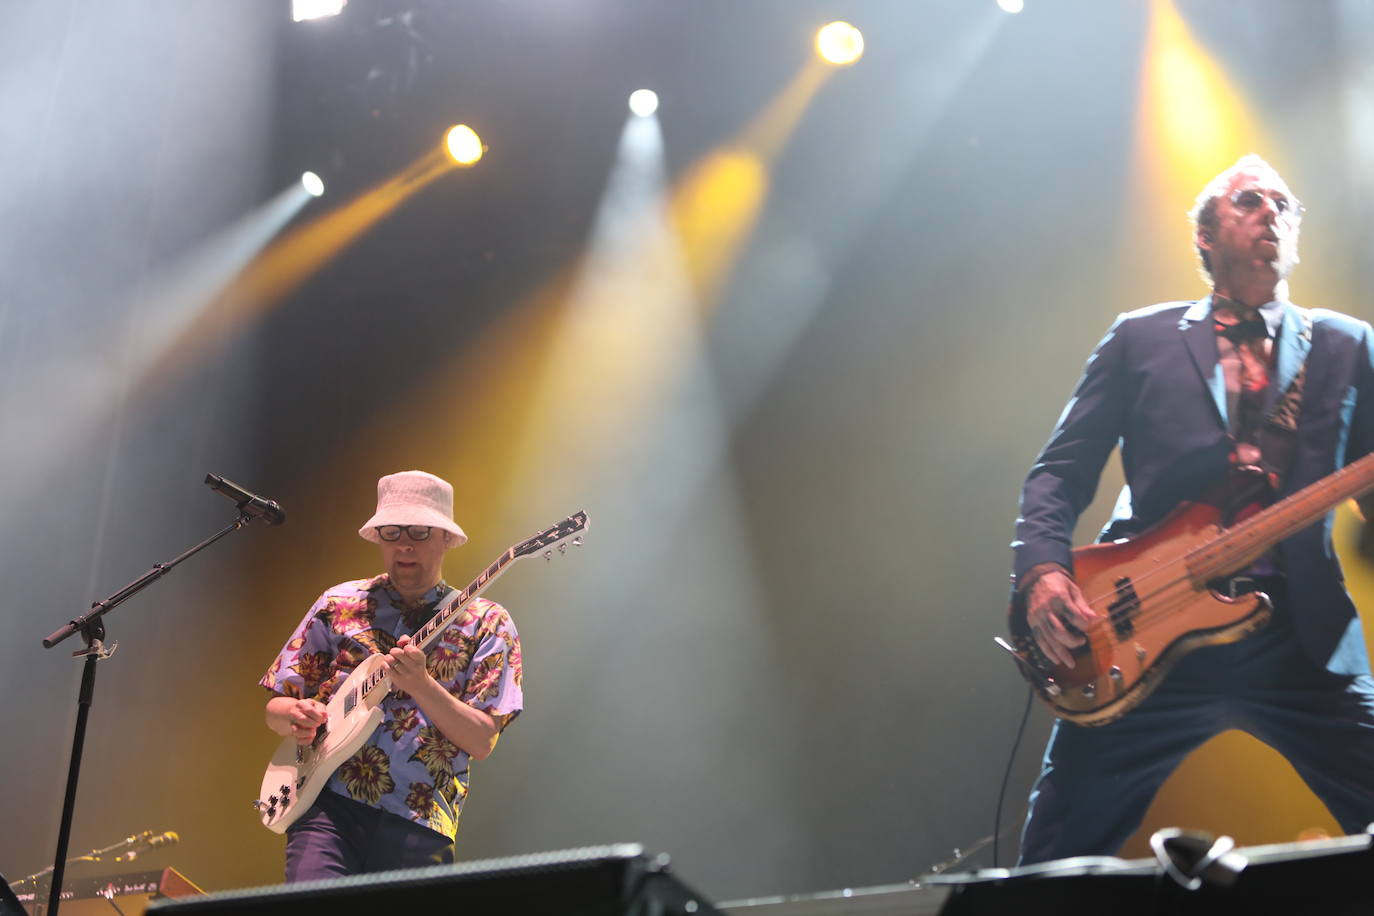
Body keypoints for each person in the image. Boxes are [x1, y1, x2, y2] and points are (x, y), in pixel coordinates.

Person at [1011, 154, 1374, 863]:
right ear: (1204, 238)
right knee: (1054, 856)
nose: (1272, 212)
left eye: (1283, 204)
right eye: (1249, 201)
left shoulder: (1348, 345)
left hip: (1299, 634)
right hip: (1142, 624)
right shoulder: (1139, 337)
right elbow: (1059, 472)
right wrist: (1044, 576)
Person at [261, 470, 523, 880]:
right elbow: (276, 705)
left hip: (420, 819)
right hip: (326, 807)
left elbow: (482, 740)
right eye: (391, 531)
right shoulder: (339, 603)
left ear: (447, 539)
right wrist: (295, 713)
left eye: (419, 531)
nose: (404, 544)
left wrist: (421, 684)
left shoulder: (486, 623)